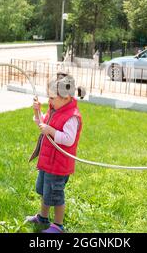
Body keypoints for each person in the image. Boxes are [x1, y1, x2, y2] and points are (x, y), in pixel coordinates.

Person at [26, 72, 85, 233]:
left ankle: (58, 226)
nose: (49, 101)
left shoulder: (72, 117)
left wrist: (50, 130)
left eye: (52, 98)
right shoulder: (54, 109)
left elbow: (68, 139)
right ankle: (42, 217)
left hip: (59, 165)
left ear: (65, 98)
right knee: (45, 191)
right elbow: (42, 124)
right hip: (47, 162)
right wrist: (36, 112)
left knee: (56, 196)